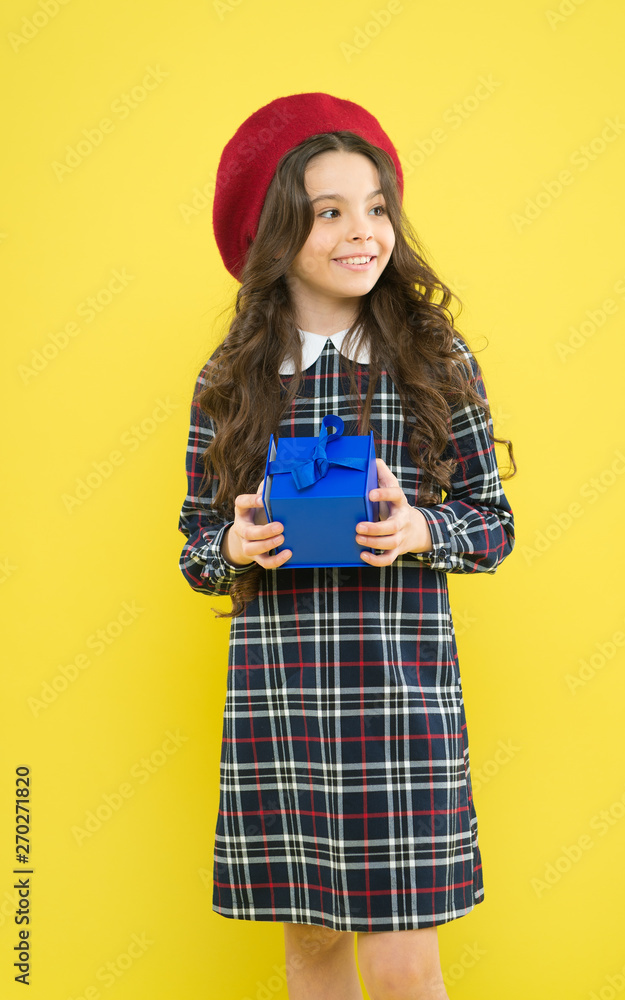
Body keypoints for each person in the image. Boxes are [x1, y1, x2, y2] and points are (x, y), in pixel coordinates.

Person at [177, 92, 515, 1000]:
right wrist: (238, 547)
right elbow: (196, 546)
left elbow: (492, 523)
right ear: (273, 232)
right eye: (328, 212)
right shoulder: (231, 378)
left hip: (398, 702)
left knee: (404, 961)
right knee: (315, 948)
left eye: (374, 207)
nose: (361, 232)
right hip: (282, 702)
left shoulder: (434, 359)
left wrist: (419, 528)